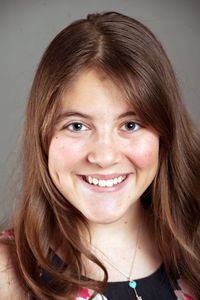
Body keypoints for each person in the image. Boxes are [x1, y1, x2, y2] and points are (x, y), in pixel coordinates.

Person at [0, 11, 199, 300]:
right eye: (77, 126)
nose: (104, 156)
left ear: (164, 136)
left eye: (130, 125)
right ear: (43, 137)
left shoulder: (194, 245)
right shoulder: (8, 274)